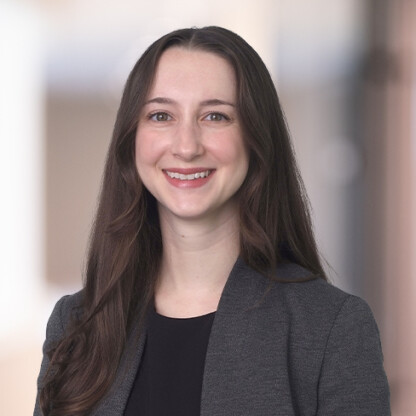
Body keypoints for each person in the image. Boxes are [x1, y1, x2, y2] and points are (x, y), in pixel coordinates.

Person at [34, 26, 390, 416]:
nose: (186, 146)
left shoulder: (330, 329)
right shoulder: (76, 325)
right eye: (161, 115)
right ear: (131, 139)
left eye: (216, 115)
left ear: (256, 138)